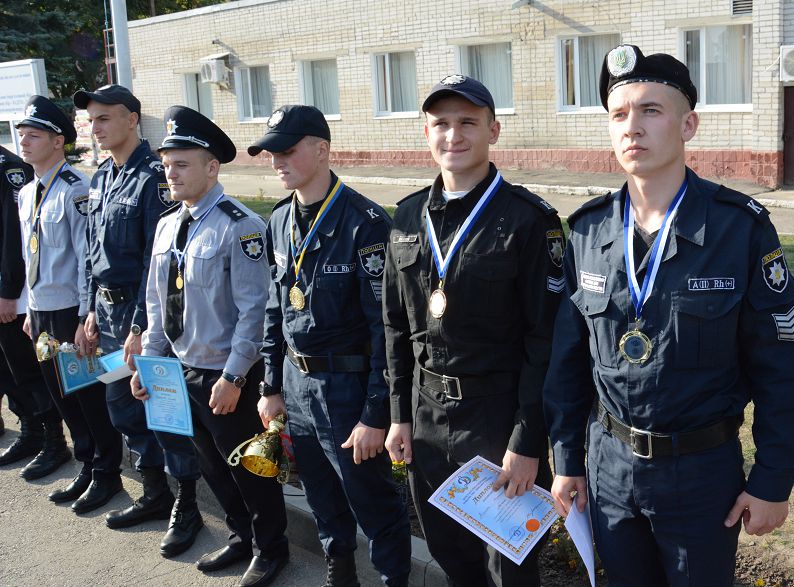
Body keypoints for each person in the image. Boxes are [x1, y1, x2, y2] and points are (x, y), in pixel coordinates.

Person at [543, 45, 794, 586]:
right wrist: (567, 458)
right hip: (610, 467)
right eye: (619, 114)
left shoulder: (738, 228)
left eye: (651, 110)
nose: (632, 127)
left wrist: (772, 480)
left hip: (700, 472)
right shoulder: (589, 231)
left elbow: (783, 367)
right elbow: (568, 362)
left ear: (688, 124)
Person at [383, 75, 565, 586]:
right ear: (426, 133)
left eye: (468, 122)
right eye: (441, 123)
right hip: (426, 415)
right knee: (452, 557)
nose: (453, 135)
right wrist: (398, 415)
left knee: (509, 567)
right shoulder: (406, 216)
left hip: (498, 418)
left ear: (493, 131)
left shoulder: (529, 220)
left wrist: (527, 442)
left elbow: (545, 342)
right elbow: (395, 326)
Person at [251, 105, 411, 587]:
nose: (277, 161)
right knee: (321, 496)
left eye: (287, 150)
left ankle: (392, 580)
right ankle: (340, 574)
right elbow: (275, 310)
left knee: (372, 501)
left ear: (322, 150)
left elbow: (386, 330)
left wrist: (375, 415)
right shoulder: (280, 219)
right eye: (271, 153)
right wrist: (270, 384)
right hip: (297, 385)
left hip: (347, 390)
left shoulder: (365, 223)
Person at [132, 105, 288, 587]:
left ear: (212, 167)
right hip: (179, 370)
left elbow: (255, 311)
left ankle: (271, 549)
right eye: (166, 163)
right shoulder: (167, 225)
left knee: (249, 469)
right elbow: (158, 303)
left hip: (225, 375)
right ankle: (242, 535)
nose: (171, 173)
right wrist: (149, 363)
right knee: (212, 466)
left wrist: (235, 377)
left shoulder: (239, 226)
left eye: (182, 163)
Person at [72, 85, 203, 555]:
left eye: (105, 118)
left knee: (164, 413)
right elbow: (93, 251)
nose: (96, 127)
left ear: (132, 119)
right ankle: (154, 492)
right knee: (123, 408)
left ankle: (187, 504)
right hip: (106, 315)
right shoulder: (103, 175)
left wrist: (139, 328)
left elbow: (158, 264)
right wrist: (90, 309)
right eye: (91, 120)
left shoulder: (152, 177)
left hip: (143, 317)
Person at [15, 95, 125, 511]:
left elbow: (86, 258)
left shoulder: (76, 189)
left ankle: (106, 472)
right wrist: (30, 308)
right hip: (41, 309)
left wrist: (84, 315)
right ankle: (86, 463)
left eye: (34, 135)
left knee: (87, 396)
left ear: (58, 141)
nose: (24, 142)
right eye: (22, 135)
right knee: (62, 396)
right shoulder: (27, 192)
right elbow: (29, 254)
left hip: (68, 311)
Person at [0, 146, 59, 473]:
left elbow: (14, 237)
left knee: (27, 371)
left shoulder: (9, 168)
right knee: (8, 371)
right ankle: (30, 430)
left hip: (12, 294)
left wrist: (8, 291)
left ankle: (51, 440)